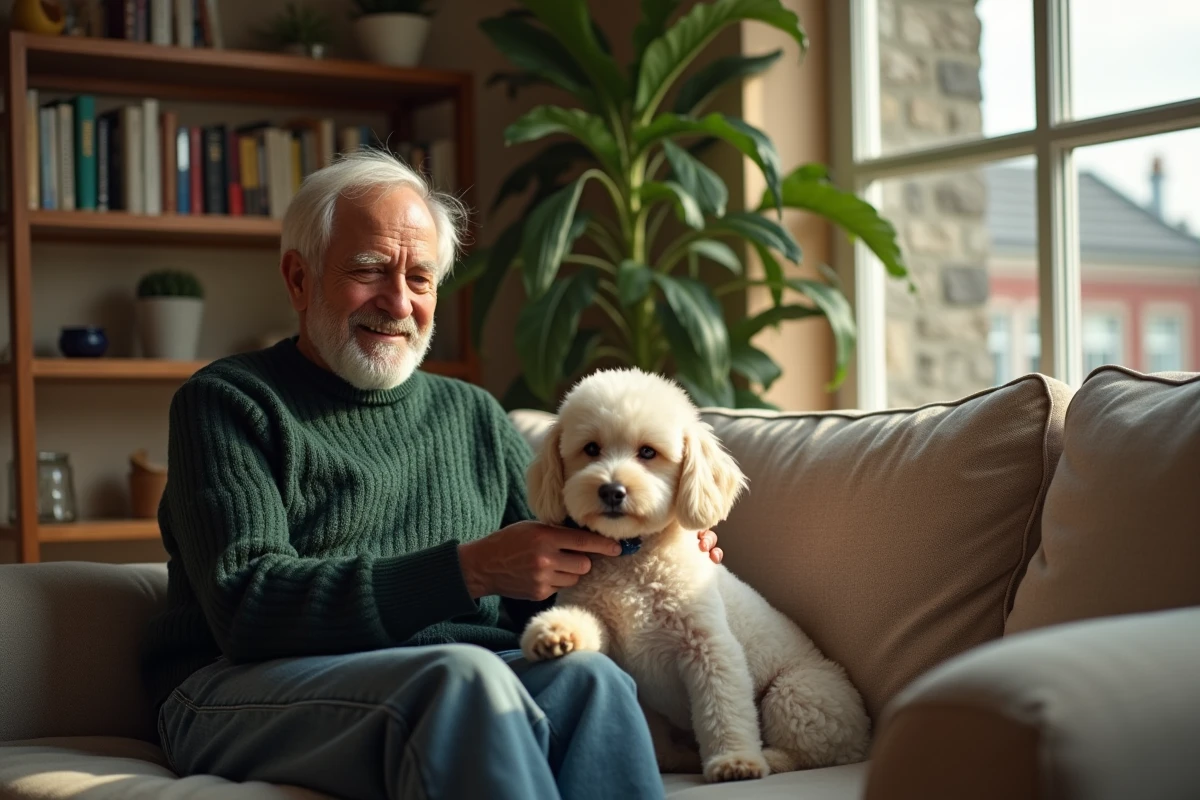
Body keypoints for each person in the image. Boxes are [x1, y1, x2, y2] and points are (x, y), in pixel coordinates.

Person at [140, 149, 725, 800]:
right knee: (461, 680)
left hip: (456, 671)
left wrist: (648, 545)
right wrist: (467, 569)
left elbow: (548, 575)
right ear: (299, 279)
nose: (397, 302)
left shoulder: (472, 414)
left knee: (592, 681)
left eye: (419, 278)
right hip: (239, 685)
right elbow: (246, 608)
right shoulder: (229, 403)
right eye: (368, 271)